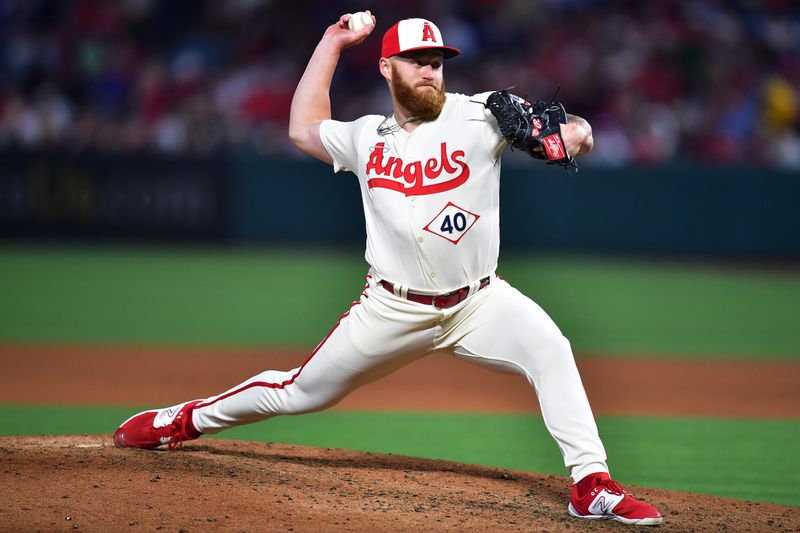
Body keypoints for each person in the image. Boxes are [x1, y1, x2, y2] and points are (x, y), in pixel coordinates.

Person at [114, 13, 663, 526]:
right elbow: (304, 129)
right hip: (390, 308)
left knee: (551, 349)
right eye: (417, 59)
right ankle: (180, 421)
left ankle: (591, 484)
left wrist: (563, 137)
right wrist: (331, 42)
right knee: (300, 392)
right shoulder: (364, 136)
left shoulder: (483, 112)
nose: (430, 69)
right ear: (387, 67)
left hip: (479, 302)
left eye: (437, 61)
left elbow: (581, 134)